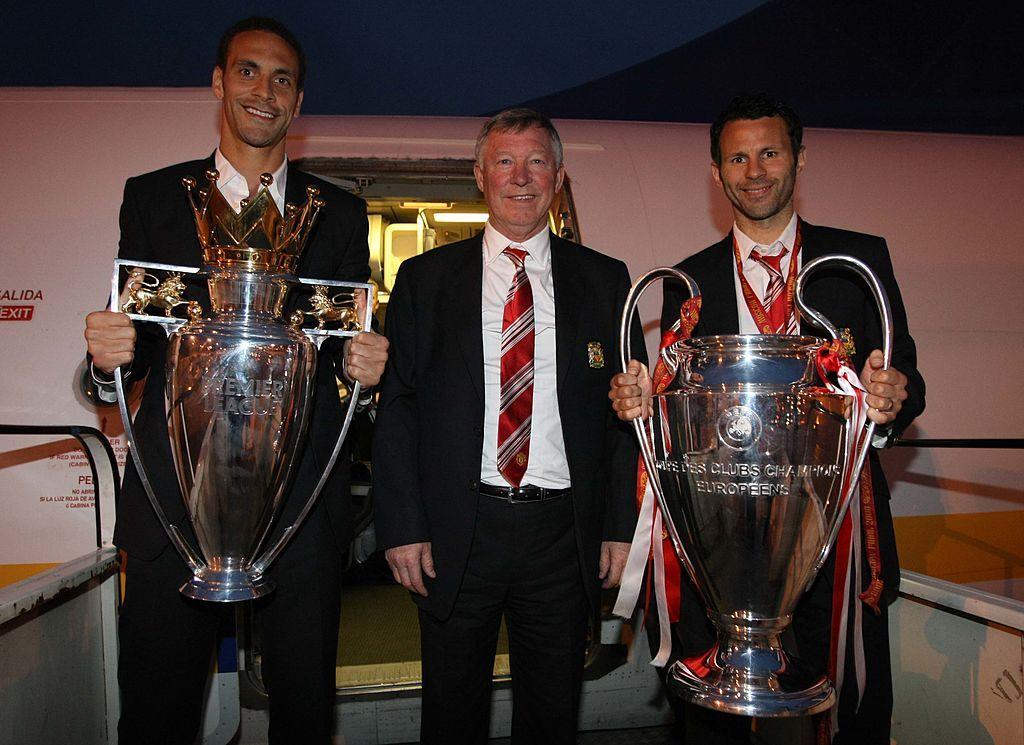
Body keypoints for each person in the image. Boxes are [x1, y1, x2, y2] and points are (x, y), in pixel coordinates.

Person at [82, 17, 388, 744]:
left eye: (282, 78)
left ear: (299, 100)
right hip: (172, 515)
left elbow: (349, 374)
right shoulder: (154, 200)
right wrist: (105, 367)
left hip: (298, 517)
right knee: (155, 716)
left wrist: (367, 377)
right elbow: (133, 355)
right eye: (247, 72)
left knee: (306, 716)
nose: (264, 91)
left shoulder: (338, 214)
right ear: (219, 84)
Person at [610, 92, 925, 744]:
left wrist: (892, 395)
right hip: (726, 556)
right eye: (738, 157)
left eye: (770, 152)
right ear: (718, 172)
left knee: (844, 715)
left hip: (830, 539)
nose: (755, 170)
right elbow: (677, 411)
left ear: (800, 158)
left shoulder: (857, 263)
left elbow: (908, 381)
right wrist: (640, 401)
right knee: (718, 726)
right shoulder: (688, 280)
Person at [372, 108, 639, 744]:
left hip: (561, 534)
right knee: (451, 712)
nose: (521, 178)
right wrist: (403, 527)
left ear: (560, 176)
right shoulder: (425, 280)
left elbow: (625, 415)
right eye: (504, 162)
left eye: (537, 162)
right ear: (479, 175)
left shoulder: (606, 280)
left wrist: (618, 529)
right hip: (457, 531)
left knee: (552, 716)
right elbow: (399, 406)